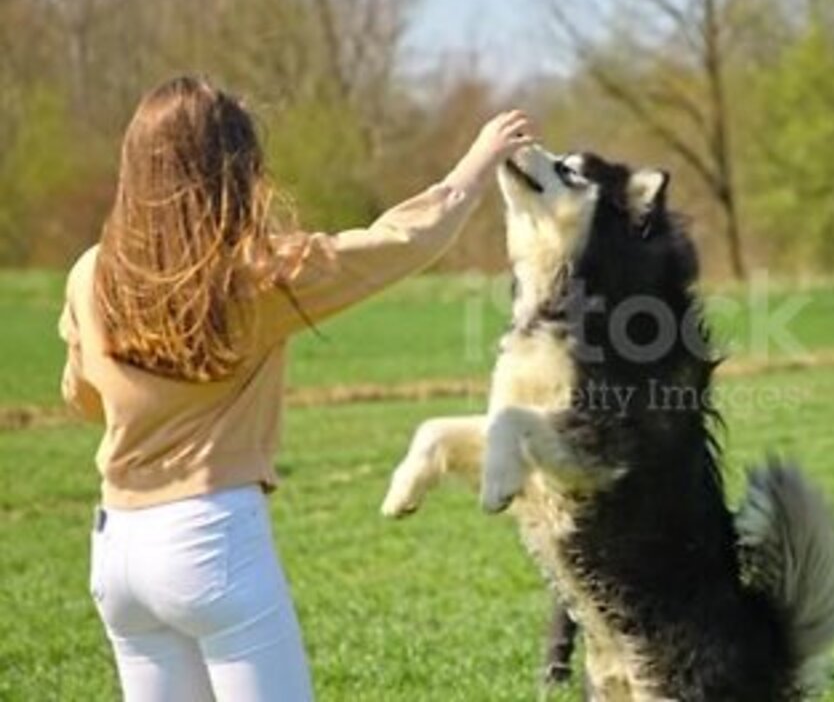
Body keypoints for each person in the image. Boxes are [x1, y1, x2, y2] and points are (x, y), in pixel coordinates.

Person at [58, 76, 534, 701]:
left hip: (117, 548)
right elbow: (399, 242)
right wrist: (477, 163)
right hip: (210, 538)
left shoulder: (90, 271)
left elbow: (82, 397)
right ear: (234, 170)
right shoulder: (255, 276)